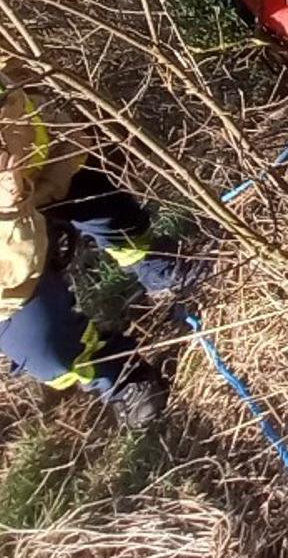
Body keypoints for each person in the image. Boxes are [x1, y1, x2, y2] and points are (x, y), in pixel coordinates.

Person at [0, 84, 199, 427]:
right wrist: (16, 208)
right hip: (7, 260)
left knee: (107, 207)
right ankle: (117, 375)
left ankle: (154, 264)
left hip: (49, 161)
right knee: (47, 350)